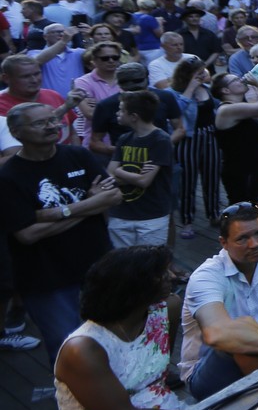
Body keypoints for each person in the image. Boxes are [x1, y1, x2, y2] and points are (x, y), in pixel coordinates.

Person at [0, 103, 122, 362]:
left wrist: (53, 213)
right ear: (16, 132)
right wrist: (90, 204)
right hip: (46, 279)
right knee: (69, 347)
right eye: (40, 123)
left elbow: (113, 196)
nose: (52, 126)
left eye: (53, 120)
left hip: (100, 266)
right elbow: (27, 234)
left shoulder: (79, 155)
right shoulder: (8, 177)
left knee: (116, 335)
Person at [53, 245, 185, 410]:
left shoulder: (168, 310)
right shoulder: (83, 348)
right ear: (133, 287)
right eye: (161, 273)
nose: (171, 277)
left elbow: (157, 377)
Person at [179, 203, 258, 401]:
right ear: (224, 243)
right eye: (242, 238)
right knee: (240, 334)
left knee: (255, 339)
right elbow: (217, 335)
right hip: (205, 373)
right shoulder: (205, 277)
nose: (254, 244)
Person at [105, 91, 175, 248]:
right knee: (122, 260)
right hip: (121, 214)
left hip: (151, 217)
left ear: (134, 116)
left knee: (149, 261)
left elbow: (144, 181)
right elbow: (109, 174)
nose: (117, 113)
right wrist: (134, 176)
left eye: (121, 110)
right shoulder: (124, 139)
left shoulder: (161, 140)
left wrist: (120, 171)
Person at [211, 71, 258, 235]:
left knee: (253, 214)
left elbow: (237, 134)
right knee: (243, 217)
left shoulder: (238, 107)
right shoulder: (227, 109)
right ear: (225, 90)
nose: (241, 80)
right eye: (235, 80)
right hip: (241, 173)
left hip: (254, 170)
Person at [171, 59, 223, 230]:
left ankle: (214, 214)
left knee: (212, 177)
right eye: (198, 72)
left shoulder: (207, 88)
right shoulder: (174, 92)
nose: (203, 75)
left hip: (210, 136)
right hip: (188, 139)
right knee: (187, 181)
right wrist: (190, 88)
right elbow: (176, 110)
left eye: (203, 71)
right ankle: (187, 221)